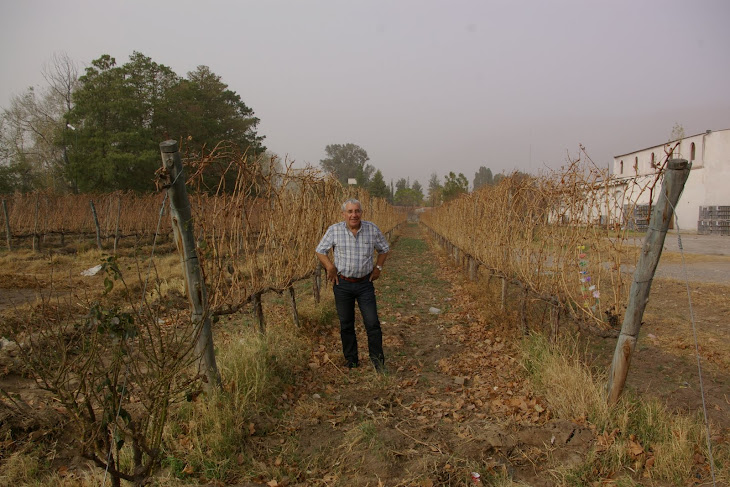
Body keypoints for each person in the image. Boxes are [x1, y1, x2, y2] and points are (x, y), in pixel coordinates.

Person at [315, 198, 390, 371]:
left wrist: (378, 267)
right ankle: (352, 360)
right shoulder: (334, 230)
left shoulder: (371, 229)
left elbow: (384, 249)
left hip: (365, 284)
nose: (353, 215)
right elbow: (320, 250)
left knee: (372, 323)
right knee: (346, 324)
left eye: (357, 211)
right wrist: (329, 266)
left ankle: (378, 362)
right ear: (343, 214)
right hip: (342, 284)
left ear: (361, 213)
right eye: (350, 212)